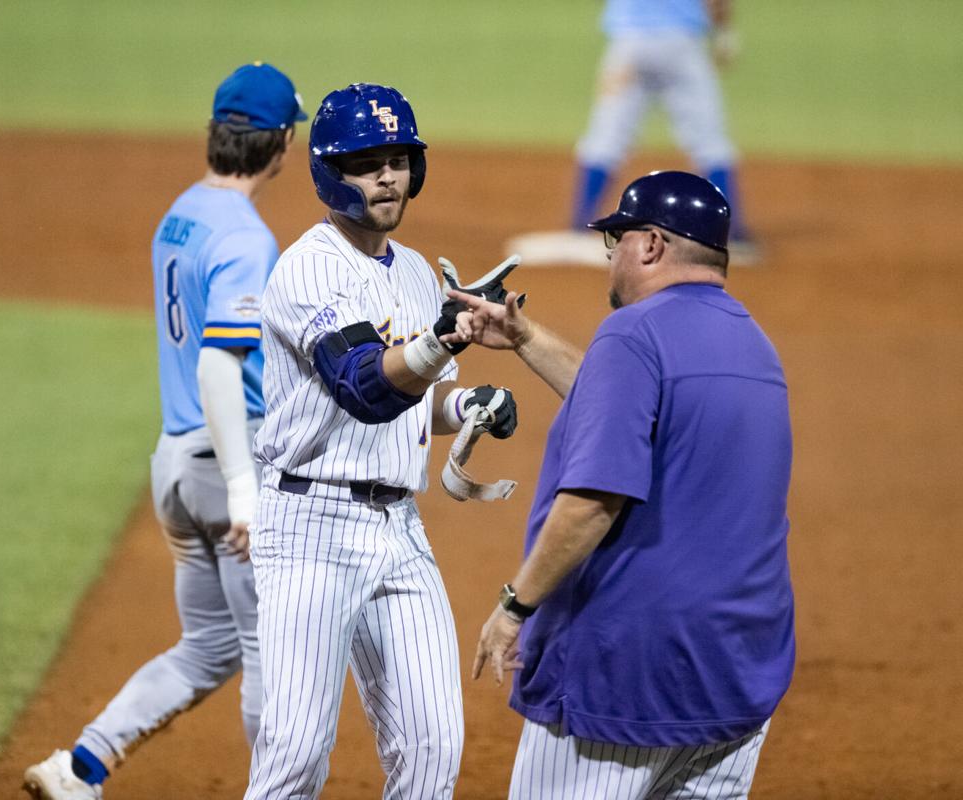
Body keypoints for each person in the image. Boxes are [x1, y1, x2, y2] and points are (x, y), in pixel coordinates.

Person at [454, 170, 795, 799]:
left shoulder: (633, 334)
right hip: (735, 676)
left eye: (616, 245)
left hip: (628, 677)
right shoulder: (755, 347)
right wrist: (527, 339)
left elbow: (591, 503)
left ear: (651, 245)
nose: (610, 262)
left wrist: (514, 607)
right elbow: (632, 410)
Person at [22, 62, 306, 800]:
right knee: (271, 656)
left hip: (175, 466)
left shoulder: (180, 213)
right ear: (279, 145)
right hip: (226, 464)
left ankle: (80, 767)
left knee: (208, 646)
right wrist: (247, 492)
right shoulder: (248, 237)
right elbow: (219, 362)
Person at [243, 83, 520, 800]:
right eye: (369, 163)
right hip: (308, 528)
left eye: (399, 159)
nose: (389, 175)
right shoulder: (310, 268)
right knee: (296, 753)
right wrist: (444, 339)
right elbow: (365, 387)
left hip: (398, 527)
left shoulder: (420, 275)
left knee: (433, 746)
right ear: (332, 171)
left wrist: (470, 403)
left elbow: (411, 402)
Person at [510, 0, 760, 267]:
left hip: (629, 46)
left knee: (605, 138)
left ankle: (579, 226)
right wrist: (724, 33)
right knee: (710, 141)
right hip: (681, 45)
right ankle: (732, 233)